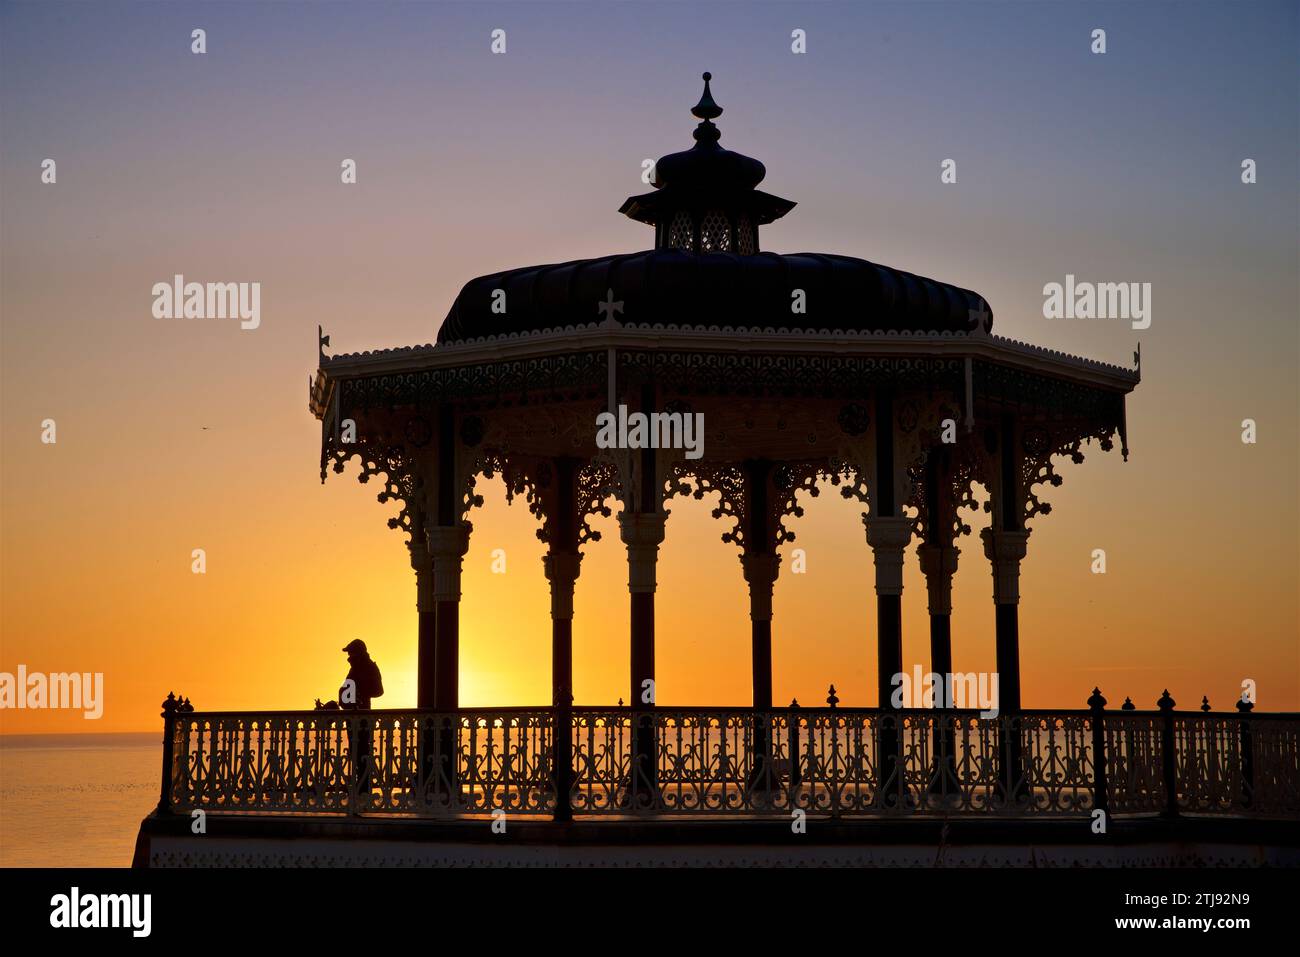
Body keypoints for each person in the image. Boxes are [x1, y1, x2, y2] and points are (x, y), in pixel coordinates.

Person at [338, 639, 383, 797]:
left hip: (363, 719)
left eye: (351, 652)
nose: (349, 656)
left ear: (358, 652)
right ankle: (361, 785)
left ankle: (364, 787)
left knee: (363, 752)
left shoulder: (369, 667)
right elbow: (347, 690)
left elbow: (379, 690)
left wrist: (359, 691)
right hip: (353, 718)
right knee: (357, 753)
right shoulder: (355, 668)